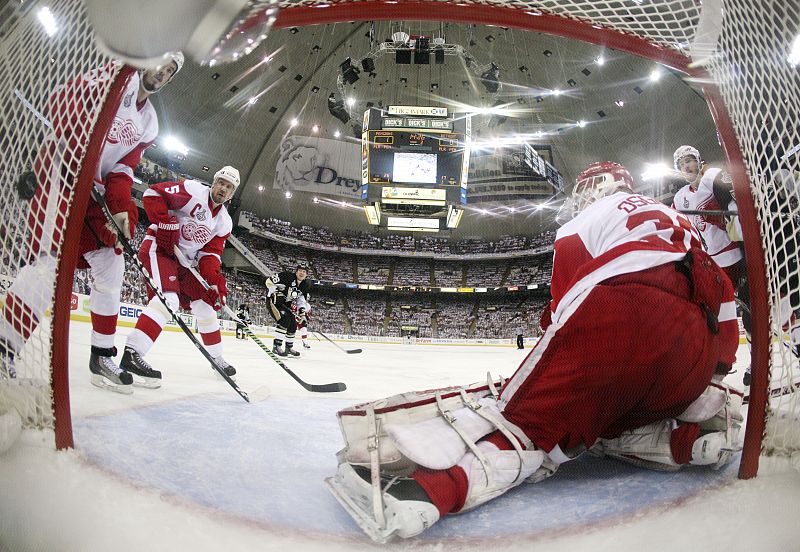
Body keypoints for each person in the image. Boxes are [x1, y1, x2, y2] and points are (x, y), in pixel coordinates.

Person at [326, 161, 741, 542]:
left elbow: (566, 313)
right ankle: (687, 434)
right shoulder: (680, 222)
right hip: (696, 353)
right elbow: (721, 298)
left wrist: (546, 386)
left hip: (624, 311)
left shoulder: (587, 220)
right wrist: (706, 379)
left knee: (526, 419)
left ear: (596, 188)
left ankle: (427, 487)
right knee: (608, 415)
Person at [0, 54, 184, 390]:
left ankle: (101, 356)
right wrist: (75, 146)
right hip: (61, 177)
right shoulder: (114, 79)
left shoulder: (149, 122)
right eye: (161, 63)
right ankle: (3, 348)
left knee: (112, 266)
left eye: (170, 72)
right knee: (49, 266)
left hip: (95, 190)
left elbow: (122, 170)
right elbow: (58, 103)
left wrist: (121, 211)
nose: (163, 72)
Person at [120, 166, 240, 387]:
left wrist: (213, 283)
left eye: (229, 187)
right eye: (221, 182)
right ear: (213, 183)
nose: (223, 188)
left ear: (232, 194)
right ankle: (132, 353)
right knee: (169, 299)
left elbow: (210, 254)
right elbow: (152, 194)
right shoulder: (193, 191)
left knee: (206, 306)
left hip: (186, 262)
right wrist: (165, 222)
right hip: (161, 248)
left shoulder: (224, 222)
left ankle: (216, 359)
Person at [671, 145, 751, 383]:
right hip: (712, 265)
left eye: (690, 160)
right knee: (712, 319)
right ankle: (716, 370)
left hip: (736, 257)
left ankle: (756, 361)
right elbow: (678, 225)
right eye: (682, 163)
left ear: (698, 161)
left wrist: (729, 212)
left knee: (750, 312)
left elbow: (731, 192)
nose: (687, 166)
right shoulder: (680, 196)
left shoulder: (711, 176)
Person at [265, 264, 311, 357]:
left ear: (306, 274)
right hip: (273, 302)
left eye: (304, 271)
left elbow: (300, 300)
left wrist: (302, 312)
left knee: (293, 325)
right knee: (284, 319)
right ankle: (276, 346)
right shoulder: (286, 276)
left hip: (286, 304)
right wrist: (276, 292)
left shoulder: (305, 285)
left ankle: (289, 347)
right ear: (296, 271)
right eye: (300, 270)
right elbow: (268, 281)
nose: (302, 273)